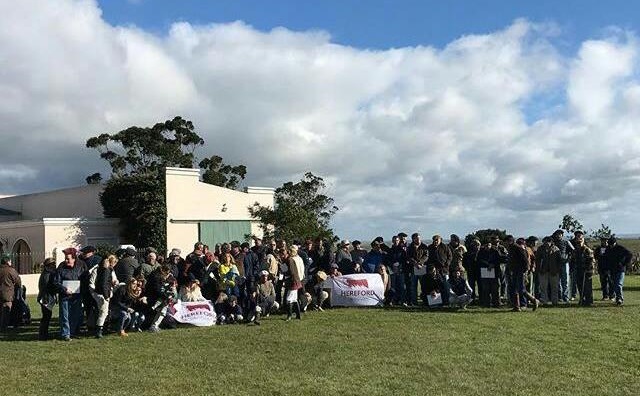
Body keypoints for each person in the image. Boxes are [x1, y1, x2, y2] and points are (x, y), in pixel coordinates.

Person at [53, 249, 85, 341]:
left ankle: (72, 332)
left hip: (77, 295)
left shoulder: (81, 266)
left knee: (75, 315)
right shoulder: (61, 267)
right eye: (65, 258)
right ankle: (65, 334)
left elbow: (85, 278)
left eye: (68, 259)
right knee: (64, 315)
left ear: (74, 259)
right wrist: (64, 289)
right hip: (65, 296)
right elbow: (56, 282)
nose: (66, 260)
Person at [89, 255, 119, 338]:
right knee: (103, 313)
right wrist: (106, 296)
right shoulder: (107, 270)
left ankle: (100, 329)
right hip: (103, 294)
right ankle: (99, 331)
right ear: (112, 262)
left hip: (97, 293)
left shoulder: (100, 269)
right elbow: (104, 284)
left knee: (101, 312)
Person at [604, 237, 632, 306]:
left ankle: (620, 299)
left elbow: (630, 254)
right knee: (614, 285)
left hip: (620, 269)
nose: (611, 246)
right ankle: (617, 298)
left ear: (615, 243)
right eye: (610, 244)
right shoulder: (608, 249)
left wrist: (624, 264)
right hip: (612, 270)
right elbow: (606, 259)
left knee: (618, 284)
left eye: (612, 244)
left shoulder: (620, 248)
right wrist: (606, 268)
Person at [535, 237, 562, 306]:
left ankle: (555, 302)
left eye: (549, 241)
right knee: (543, 287)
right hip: (543, 271)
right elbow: (537, 260)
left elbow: (559, 261)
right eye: (545, 241)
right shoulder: (540, 249)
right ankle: (544, 301)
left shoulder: (556, 249)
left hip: (554, 271)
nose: (547, 243)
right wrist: (539, 269)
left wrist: (558, 270)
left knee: (555, 287)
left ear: (551, 242)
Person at [426, 235, 452, 306]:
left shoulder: (445, 247)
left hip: (444, 270)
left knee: (446, 287)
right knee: (437, 287)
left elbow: (450, 256)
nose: (436, 241)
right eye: (434, 240)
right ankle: (438, 302)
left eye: (437, 240)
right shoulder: (430, 248)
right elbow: (428, 258)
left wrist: (447, 264)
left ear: (440, 240)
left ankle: (447, 301)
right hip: (434, 271)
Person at [571, 231, 595, 306]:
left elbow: (592, 261)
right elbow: (573, 260)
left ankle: (589, 301)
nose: (578, 244)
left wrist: (588, 269)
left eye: (580, 242)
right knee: (580, 286)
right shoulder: (575, 251)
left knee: (587, 287)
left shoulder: (587, 250)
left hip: (587, 271)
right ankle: (582, 299)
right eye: (577, 243)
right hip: (578, 270)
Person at [37, 258, 57, 340]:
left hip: (45, 297)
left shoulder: (46, 273)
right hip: (45, 298)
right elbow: (46, 287)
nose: (54, 266)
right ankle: (43, 335)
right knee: (46, 317)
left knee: (46, 317)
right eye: (53, 265)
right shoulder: (47, 274)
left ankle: (44, 334)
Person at [406, 233, 429, 306]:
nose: (418, 239)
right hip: (413, 269)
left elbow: (426, 256)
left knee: (424, 286)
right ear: (413, 239)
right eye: (416, 238)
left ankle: (425, 301)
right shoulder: (410, 247)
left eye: (419, 238)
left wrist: (420, 262)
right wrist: (415, 263)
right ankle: (414, 302)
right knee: (413, 286)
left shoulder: (424, 246)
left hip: (422, 268)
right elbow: (408, 256)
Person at [0, 255, 21, 333]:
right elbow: (18, 281)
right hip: (7, 294)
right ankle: (3, 329)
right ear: (7, 262)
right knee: (6, 311)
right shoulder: (11, 270)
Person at [552, 230, 574, 303]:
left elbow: (573, 250)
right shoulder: (553, 243)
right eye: (557, 234)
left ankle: (566, 297)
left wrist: (568, 259)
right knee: (557, 282)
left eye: (560, 234)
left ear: (562, 235)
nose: (558, 235)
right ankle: (560, 297)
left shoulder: (566, 242)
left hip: (564, 263)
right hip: (555, 264)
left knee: (565, 281)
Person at [284, 245, 305, 321]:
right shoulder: (299, 259)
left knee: (289, 299)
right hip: (299, 280)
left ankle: (289, 315)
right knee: (294, 299)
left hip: (293, 281)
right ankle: (298, 315)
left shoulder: (291, 260)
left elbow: (291, 272)